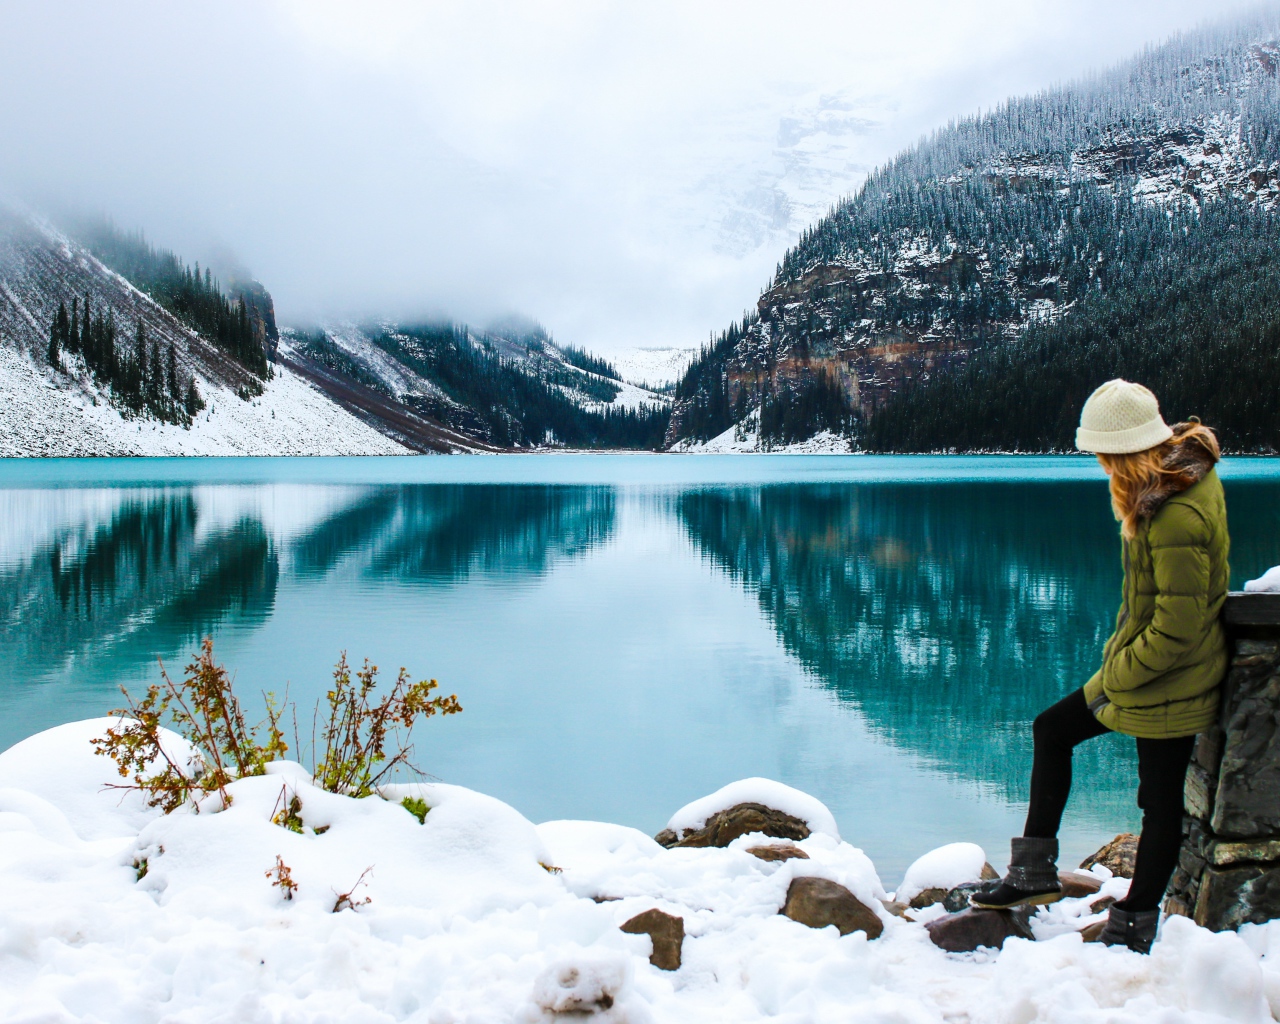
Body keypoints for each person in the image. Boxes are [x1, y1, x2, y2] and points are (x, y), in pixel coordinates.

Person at [971, 379, 1230, 954]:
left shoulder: (1177, 514)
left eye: (1102, 453)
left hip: (1173, 677)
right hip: (1144, 668)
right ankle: (1032, 874)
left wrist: (1118, 674)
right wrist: (1121, 666)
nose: (1099, 464)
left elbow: (1179, 627)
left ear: (1126, 449)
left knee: (1159, 802)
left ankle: (1133, 924)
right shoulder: (1165, 486)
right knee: (1052, 729)